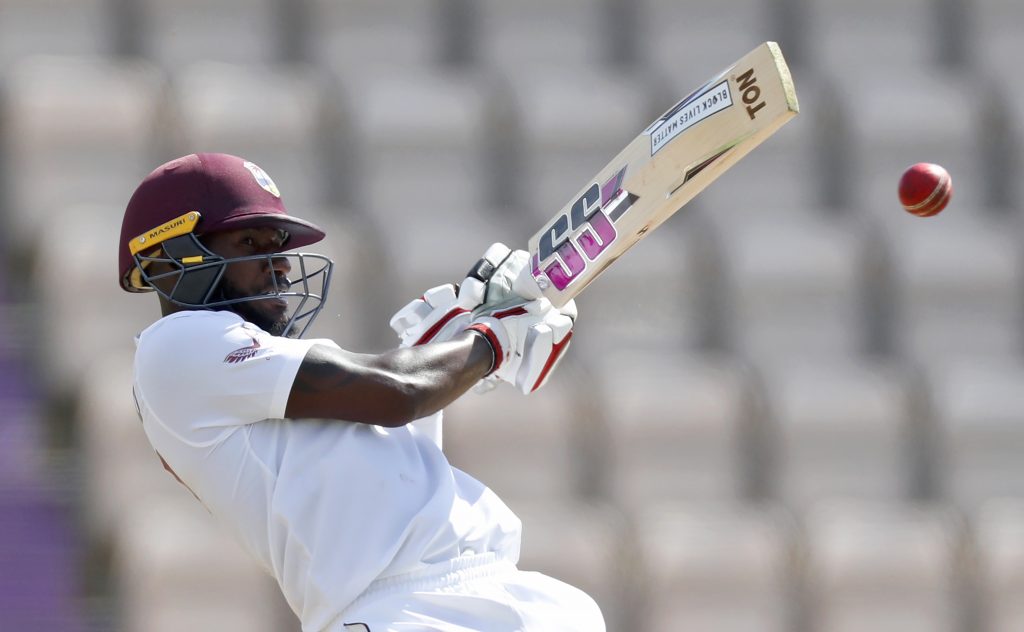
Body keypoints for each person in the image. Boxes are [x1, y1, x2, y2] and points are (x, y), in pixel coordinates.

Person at [118, 152, 604, 632]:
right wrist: (492, 340)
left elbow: (389, 417)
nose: (281, 265)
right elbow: (395, 392)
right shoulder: (175, 346)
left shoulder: (253, 384)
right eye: (250, 242)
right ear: (166, 259)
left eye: (278, 245)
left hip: (501, 595)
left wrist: (451, 339)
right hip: (399, 613)